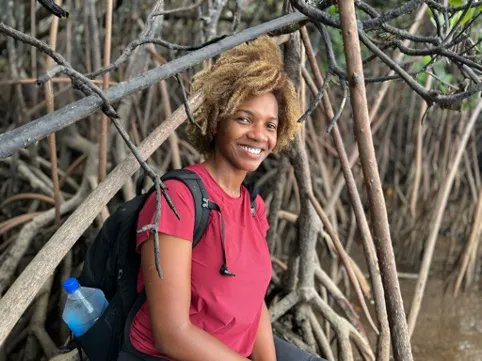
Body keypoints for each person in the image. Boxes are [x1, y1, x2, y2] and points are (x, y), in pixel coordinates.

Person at [120, 36, 325, 361]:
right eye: (244, 119)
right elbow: (172, 334)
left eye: (270, 125)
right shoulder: (177, 199)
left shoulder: (254, 207)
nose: (259, 135)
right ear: (217, 120)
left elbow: (251, 299)